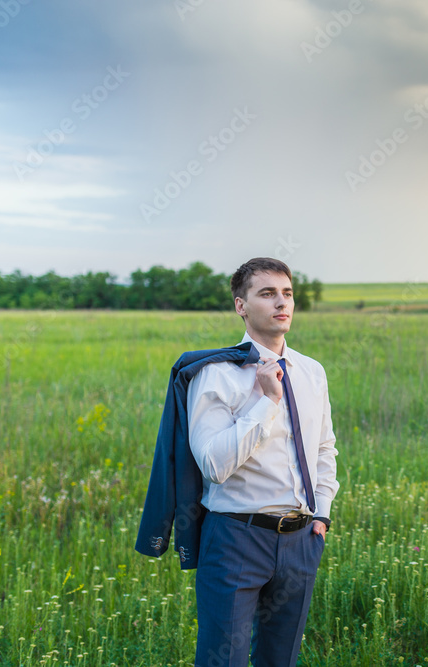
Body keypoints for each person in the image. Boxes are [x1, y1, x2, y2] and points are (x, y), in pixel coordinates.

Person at [137, 256, 339, 667]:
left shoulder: (311, 372)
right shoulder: (216, 374)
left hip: (301, 540)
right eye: (266, 294)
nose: (281, 303)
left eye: (287, 294)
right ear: (240, 306)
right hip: (235, 539)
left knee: (280, 659)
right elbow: (213, 465)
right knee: (222, 660)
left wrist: (321, 515)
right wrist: (266, 401)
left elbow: (324, 450)